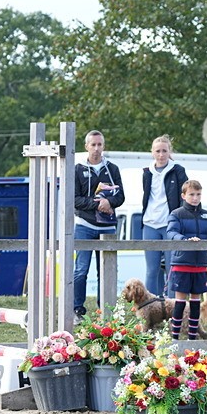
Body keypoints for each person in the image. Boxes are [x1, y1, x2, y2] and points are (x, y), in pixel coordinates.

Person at [73, 130, 125, 323]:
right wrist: (98, 204)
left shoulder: (112, 169)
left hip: (107, 227)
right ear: (86, 146)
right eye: (93, 145)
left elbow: (121, 197)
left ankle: (105, 310)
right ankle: (77, 310)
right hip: (84, 225)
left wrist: (110, 202)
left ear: (104, 146)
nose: (96, 148)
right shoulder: (78, 169)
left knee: (106, 271)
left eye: (100, 145)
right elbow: (75, 200)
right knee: (81, 270)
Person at [166, 179, 207, 340]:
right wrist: (184, 240)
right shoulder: (176, 214)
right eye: (191, 194)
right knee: (180, 301)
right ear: (183, 196)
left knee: (196, 300)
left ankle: (192, 338)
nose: (195, 198)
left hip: (200, 264)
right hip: (181, 263)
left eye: (198, 194)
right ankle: (174, 338)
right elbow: (171, 232)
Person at [141, 135, 188, 298]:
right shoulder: (147, 172)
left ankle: (172, 308)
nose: (161, 155)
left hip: (170, 226)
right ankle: (149, 306)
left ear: (170, 152)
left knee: (172, 268)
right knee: (152, 269)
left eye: (164, 151)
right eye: (158, 151)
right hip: (149, 224)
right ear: (152, 152)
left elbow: (186, 196)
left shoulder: (178, 171)